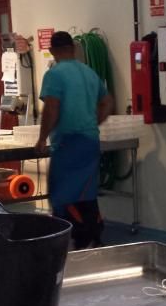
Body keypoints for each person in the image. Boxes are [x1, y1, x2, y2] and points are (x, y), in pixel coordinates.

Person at [35, 31, 115, 249]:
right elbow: (108, 102)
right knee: (86, 192)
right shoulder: (89, 73)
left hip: (68, 142)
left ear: (52, 51)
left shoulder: (54, 74)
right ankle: (92, 236)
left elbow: (51, 107)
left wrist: (42, 138)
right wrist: (92, 122)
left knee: (62, 194)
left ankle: (74, 240)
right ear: (73, 48)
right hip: (90, 141)